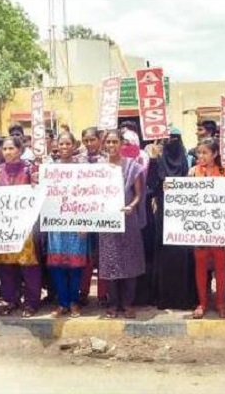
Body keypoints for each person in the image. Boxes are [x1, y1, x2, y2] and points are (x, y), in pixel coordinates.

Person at [146, 127, 197, 311]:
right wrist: (152, 160)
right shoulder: (158, 160)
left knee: (184, 255)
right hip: (164, 215)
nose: (171, 142)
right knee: (165, 254)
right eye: (168, 139)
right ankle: (164, 297)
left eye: (175, 138)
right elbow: (151, 184)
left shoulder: (190, 161)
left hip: (185, 216)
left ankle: (186, 297)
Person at [0, 136, 42, 318]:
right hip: (5, 226)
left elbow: (38, 192)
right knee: (6, 266)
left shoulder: (30, 169)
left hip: (26, 227)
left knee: (28, 266)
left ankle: (31, 303)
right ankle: (10, 300)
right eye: (5, 149)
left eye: (11, 148)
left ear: (20, 150)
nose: (8, 152)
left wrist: (37, 184)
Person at [99, 130, 146, 319]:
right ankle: (113, 304)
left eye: (115, 142)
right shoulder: (98, 168)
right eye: (108, 142)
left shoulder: (132, 166)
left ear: (121, 144)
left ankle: (127, 303)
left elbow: (138, 194)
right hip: (107, 222)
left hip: (128, 221)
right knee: (110, 263)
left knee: (129, 263)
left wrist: (131, 207)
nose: (111, 145)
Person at [188, 137, 225, 319]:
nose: (201, 156)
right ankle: (202, 303)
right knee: (200, 266)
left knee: (220, 267)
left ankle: (221, 303)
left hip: (220, 227)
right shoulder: (193, 172)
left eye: (205, 152)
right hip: (199, 227)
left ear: (215, 154)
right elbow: (184, 197)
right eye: (198, 152)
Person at [47, 132, 89, 318]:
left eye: (67, 144)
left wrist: (85, 223)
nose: (64, 147)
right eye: (61, 144)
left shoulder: (84, 169)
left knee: (75, 266)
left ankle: (74, 302)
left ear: (74, 145)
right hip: (56, 224)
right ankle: (62, 303)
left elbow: (91, 196)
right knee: (57, 266)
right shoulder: (49, 169)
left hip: (77, 222)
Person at [75, 128, 108, 307]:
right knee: (85, 257)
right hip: (82, 214)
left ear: (99, 139)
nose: (89, 144)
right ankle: (83, 292)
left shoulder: (108, 161)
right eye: (86, 140)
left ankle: (103, 293)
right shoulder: (77, 161)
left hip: (103, 214)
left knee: (102, 255)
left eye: (92, 140)